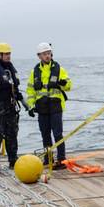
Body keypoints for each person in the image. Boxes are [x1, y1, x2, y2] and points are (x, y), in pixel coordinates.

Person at [0, 42, 31, 171]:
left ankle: (13, 161)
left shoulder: (10, 69)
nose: (8, 56)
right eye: (6, 54)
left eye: (9, 53)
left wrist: (22, 101)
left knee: (12, 135)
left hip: (11, 106)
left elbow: (14, 88)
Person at [26, 42, 72, 170]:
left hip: (56, 106)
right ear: (39, 56)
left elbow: (69, 86)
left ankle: (62, 159)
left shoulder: (59, 69)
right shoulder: (34, 72)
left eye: (48, 53)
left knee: (58, 134)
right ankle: (48, 159)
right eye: (44, 54)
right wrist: (31, 106)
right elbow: (30, 91)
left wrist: (63, 83)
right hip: (42, 107)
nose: (47, 56)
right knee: (45, 134)